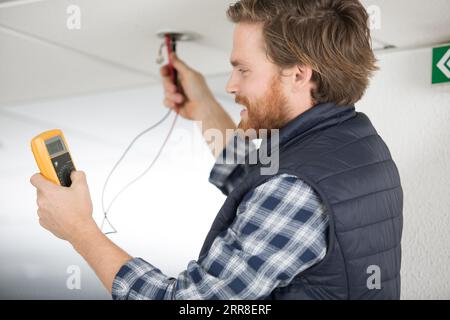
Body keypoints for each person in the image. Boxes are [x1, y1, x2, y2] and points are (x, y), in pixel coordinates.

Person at [30, 0, 403, 300]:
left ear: (299, 75)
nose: (230, 84)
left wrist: (79, 230)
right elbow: (263, 179)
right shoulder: (351, 141)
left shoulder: (296, 189)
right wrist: (204, 109)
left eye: (243, 70)